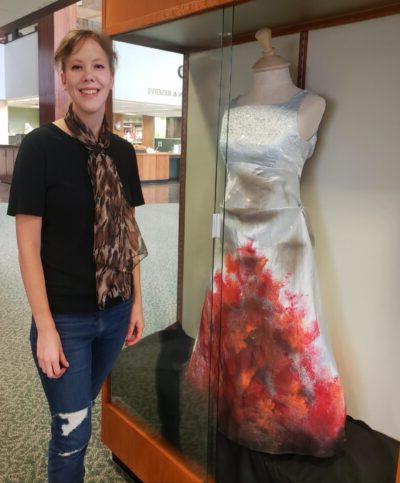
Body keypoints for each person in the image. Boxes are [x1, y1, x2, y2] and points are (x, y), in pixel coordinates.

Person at [7, 29, 147, 482]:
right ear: (64, 77)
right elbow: (27, 247)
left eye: (98, 66)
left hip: (114, 311)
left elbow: (128, 232)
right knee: (71, 433)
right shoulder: (40, 147)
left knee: (81, 412)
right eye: (77, 67)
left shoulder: (123, 152)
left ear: (111, 77)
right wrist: (45, 328)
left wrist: (137, 303)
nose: (89, 76)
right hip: (65, 320)